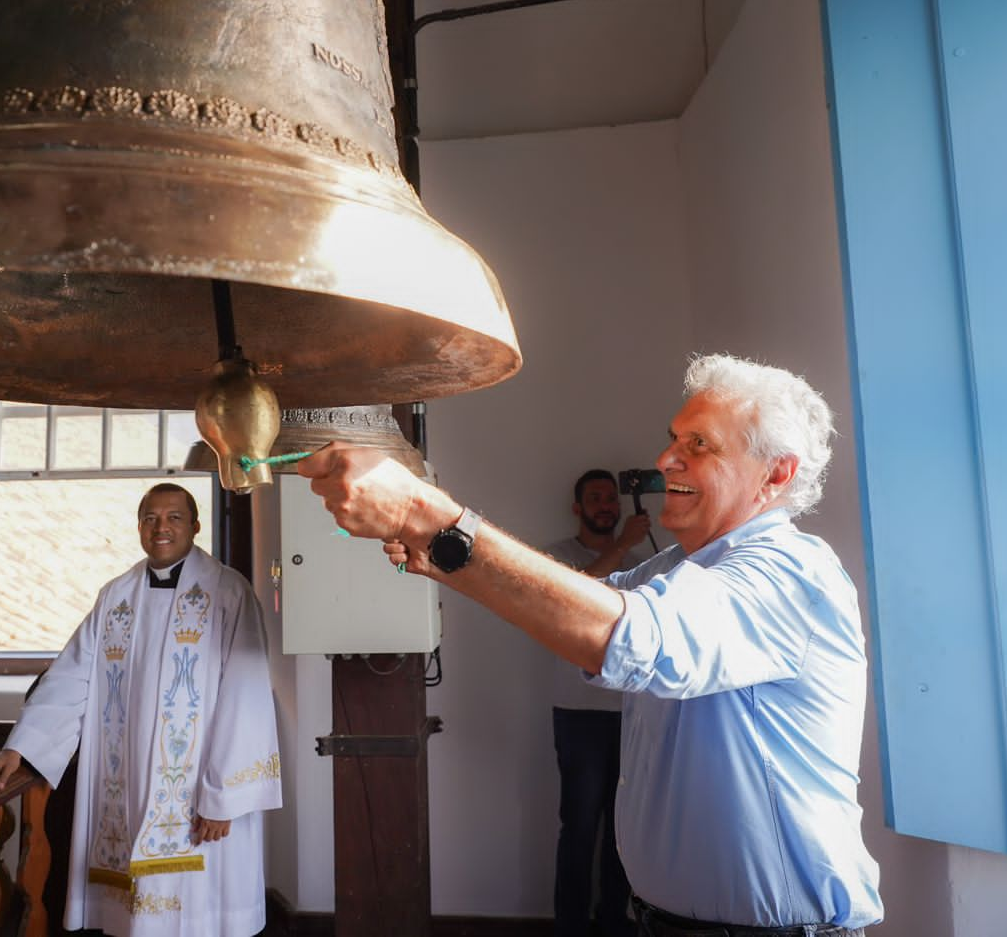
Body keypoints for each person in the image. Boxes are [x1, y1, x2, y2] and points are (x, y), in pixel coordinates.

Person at [297, 355, 882, 936]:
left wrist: (427, 514)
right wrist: (445, 560)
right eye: (674, 438)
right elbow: (583, 603)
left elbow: (628, 636)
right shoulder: (680, 565)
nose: (664, 460)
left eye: (699, 444)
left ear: (775, 474)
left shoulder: (789, 571)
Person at [0, 483, 282, 937]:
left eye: (174, 517)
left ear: (195, 525)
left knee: (202, 916)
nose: (161, 527)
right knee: (138, 918)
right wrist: (22, 747)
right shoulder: (116, 596)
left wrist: (224, 797)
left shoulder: (228, 593)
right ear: (138, 527)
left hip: (200, 793)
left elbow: (245, 697)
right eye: (151, 518)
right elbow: (73, 676)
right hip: (128, 784)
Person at [543, 469, 650, 937]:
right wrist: (623, 545)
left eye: (611, 497)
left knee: (623, 832)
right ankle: (569, 927)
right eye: (596, 498)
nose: (606, 504)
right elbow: (572, 597)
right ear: (578, 507)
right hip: (579, 713)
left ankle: (613, 923)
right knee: (580, 827)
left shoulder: (645, 560)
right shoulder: (557, 556)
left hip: (634, 714)